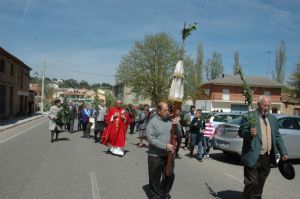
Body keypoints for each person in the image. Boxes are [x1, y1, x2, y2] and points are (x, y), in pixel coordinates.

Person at [238, 95, 288, 199]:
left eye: (269, 106)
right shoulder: (249, 116)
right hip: (252, 154)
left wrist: (283, 152)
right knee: (251, 182)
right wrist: (249, 133)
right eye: (264, 105)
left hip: (267, 156)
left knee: (260, 181)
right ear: (258, 104)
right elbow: (241, 132)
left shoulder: (273, 119)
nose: (267, 108)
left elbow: (277, 136)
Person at [146, 101, 180, 199]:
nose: (168, 112)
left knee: (170, 176)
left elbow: (178, 134)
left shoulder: (170, 120)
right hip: (155, 156)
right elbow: (151, 139)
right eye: (165, 110)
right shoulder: (152, 122)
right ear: (158, 111)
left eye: (168, 110)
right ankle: (156, 196)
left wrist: (176, 124)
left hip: (168, 156)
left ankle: (163, 193)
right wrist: (166, 146)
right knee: (154, 179)